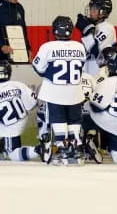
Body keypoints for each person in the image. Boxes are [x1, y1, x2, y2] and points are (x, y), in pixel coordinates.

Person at [32, 16, 87, 165]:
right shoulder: (80, 46)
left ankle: (63, 150)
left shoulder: (47, 47)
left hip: (54, 92)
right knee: (74, 121)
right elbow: (81, 67)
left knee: (58, 120)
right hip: (75, 91)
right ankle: (76, 151)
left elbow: (38, 68)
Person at [0, 59, 42, 162]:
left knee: (11, 154)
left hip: (8, 127)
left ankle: (39, 150)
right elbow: (33, 104)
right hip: (21, 120)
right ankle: (42, 137)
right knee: (42, 111)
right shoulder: (18, 85)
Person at [85, 48, 117, 165]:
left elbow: (97, 106)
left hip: (109, 123)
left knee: (85, 107)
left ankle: (87, 139)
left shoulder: (108, 81)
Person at [76, 0, 117, 77]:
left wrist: (87, 30)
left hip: (99, 73)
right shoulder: (93, 26)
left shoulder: (107, 28)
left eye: (94, 9)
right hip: (88, 70)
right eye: (91, 8)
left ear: (103, 13)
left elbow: (92, 49)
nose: (91, 12)